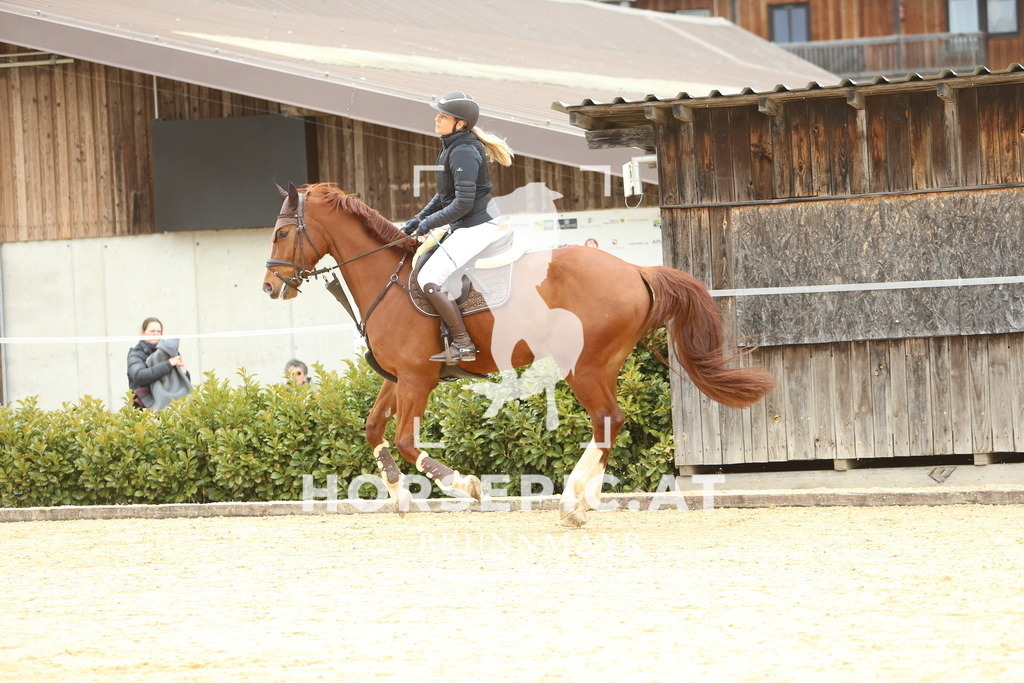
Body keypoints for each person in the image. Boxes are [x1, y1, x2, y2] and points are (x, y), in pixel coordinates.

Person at [403, 90, 514, 363]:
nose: (437, 119)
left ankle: (463, 344)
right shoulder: (452, 147)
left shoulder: (463, 151)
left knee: (427, 278)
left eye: (443, 116)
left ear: (460, 123)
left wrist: (429, 223)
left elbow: (463, 204)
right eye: (438, 114)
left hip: (477, 226)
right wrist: (420, 218)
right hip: (465, 225)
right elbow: (444, 195)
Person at [126, 317, 191, 409]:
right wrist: (168, 364)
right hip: (144, 407)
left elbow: (181, 382)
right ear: (142, 332)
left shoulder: (169, 351)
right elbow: (139, 376)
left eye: (159, 331)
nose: (156, 334)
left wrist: (184, 373)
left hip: (171, 405)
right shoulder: (135, 354)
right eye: (152, 331)